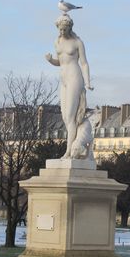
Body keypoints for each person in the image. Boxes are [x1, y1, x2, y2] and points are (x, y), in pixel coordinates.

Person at [46, 14, 93, 159]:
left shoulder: (78, 42)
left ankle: (69, 152)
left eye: (65, 29)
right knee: (65, 117)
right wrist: (50, 60)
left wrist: (87, 82)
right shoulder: (57, 41)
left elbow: (84, 63)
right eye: (60, 29)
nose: (62, 32)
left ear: (70, 28)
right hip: (63, 79)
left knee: (71, 116)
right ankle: (74, 148)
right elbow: (61, 61)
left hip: (74, 77)